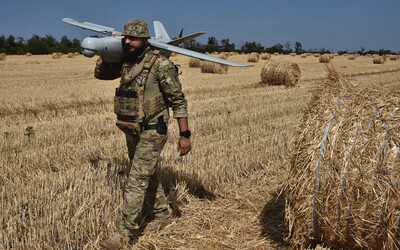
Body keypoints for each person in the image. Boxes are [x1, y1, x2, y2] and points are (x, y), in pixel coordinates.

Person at [95, 20, 192, 249]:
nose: (128, 41)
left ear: (145, 39)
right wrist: (103, 52)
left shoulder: (161, 65)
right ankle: (162, 215)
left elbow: (178, 101)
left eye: (133, 38)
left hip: (153, 129)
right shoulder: (127, 61)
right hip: (132, 127)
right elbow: (101, 74)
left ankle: (123, 234)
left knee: (136, 178)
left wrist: (184, 134)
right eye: (126, 37)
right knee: (148, 174)